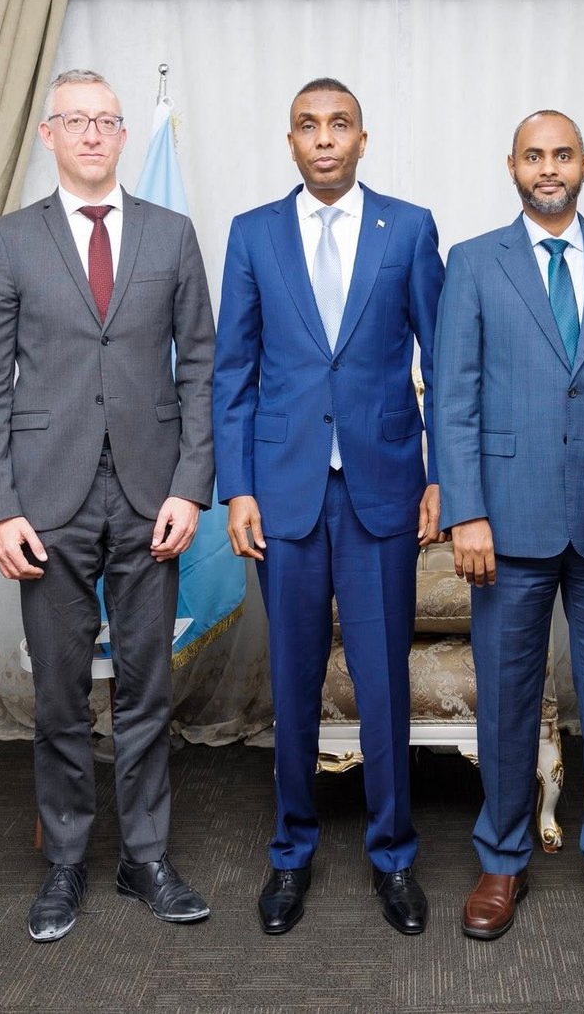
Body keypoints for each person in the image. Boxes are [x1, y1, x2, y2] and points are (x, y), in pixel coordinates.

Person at [0, 69, 216, 942]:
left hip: (153, 496)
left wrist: (191, 485)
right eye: (77, 121)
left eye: (107, 120)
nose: (94, 134)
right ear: (49, 134)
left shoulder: (171, 233)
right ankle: (66, 860)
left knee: (148, 689)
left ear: (121, 133)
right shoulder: (9, 240)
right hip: (46, 498)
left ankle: (145, 856)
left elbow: (201, 365)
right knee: (60, 695)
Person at [435, 110, 584, 941]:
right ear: (511, 166)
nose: (549, 168)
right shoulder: (473, 262)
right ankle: (502, 858)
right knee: (506, 698)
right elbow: (454, 399)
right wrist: (467, 511)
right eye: (534, 156)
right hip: (506, 522)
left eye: (562, 155)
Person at [212, 78, 443, 936]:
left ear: (361, 138)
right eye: (308, 126)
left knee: (383, 683)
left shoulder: (408, 228)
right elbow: (232, 372)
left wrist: (443, 477)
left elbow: (443, 359)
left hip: (383, 488)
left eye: (338, 124)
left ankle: (394, 854)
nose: (323, 138)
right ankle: (291, 850)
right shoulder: (253, 234)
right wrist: (238, 486)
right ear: (291, 141)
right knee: (295, 679)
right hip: (284, 493)